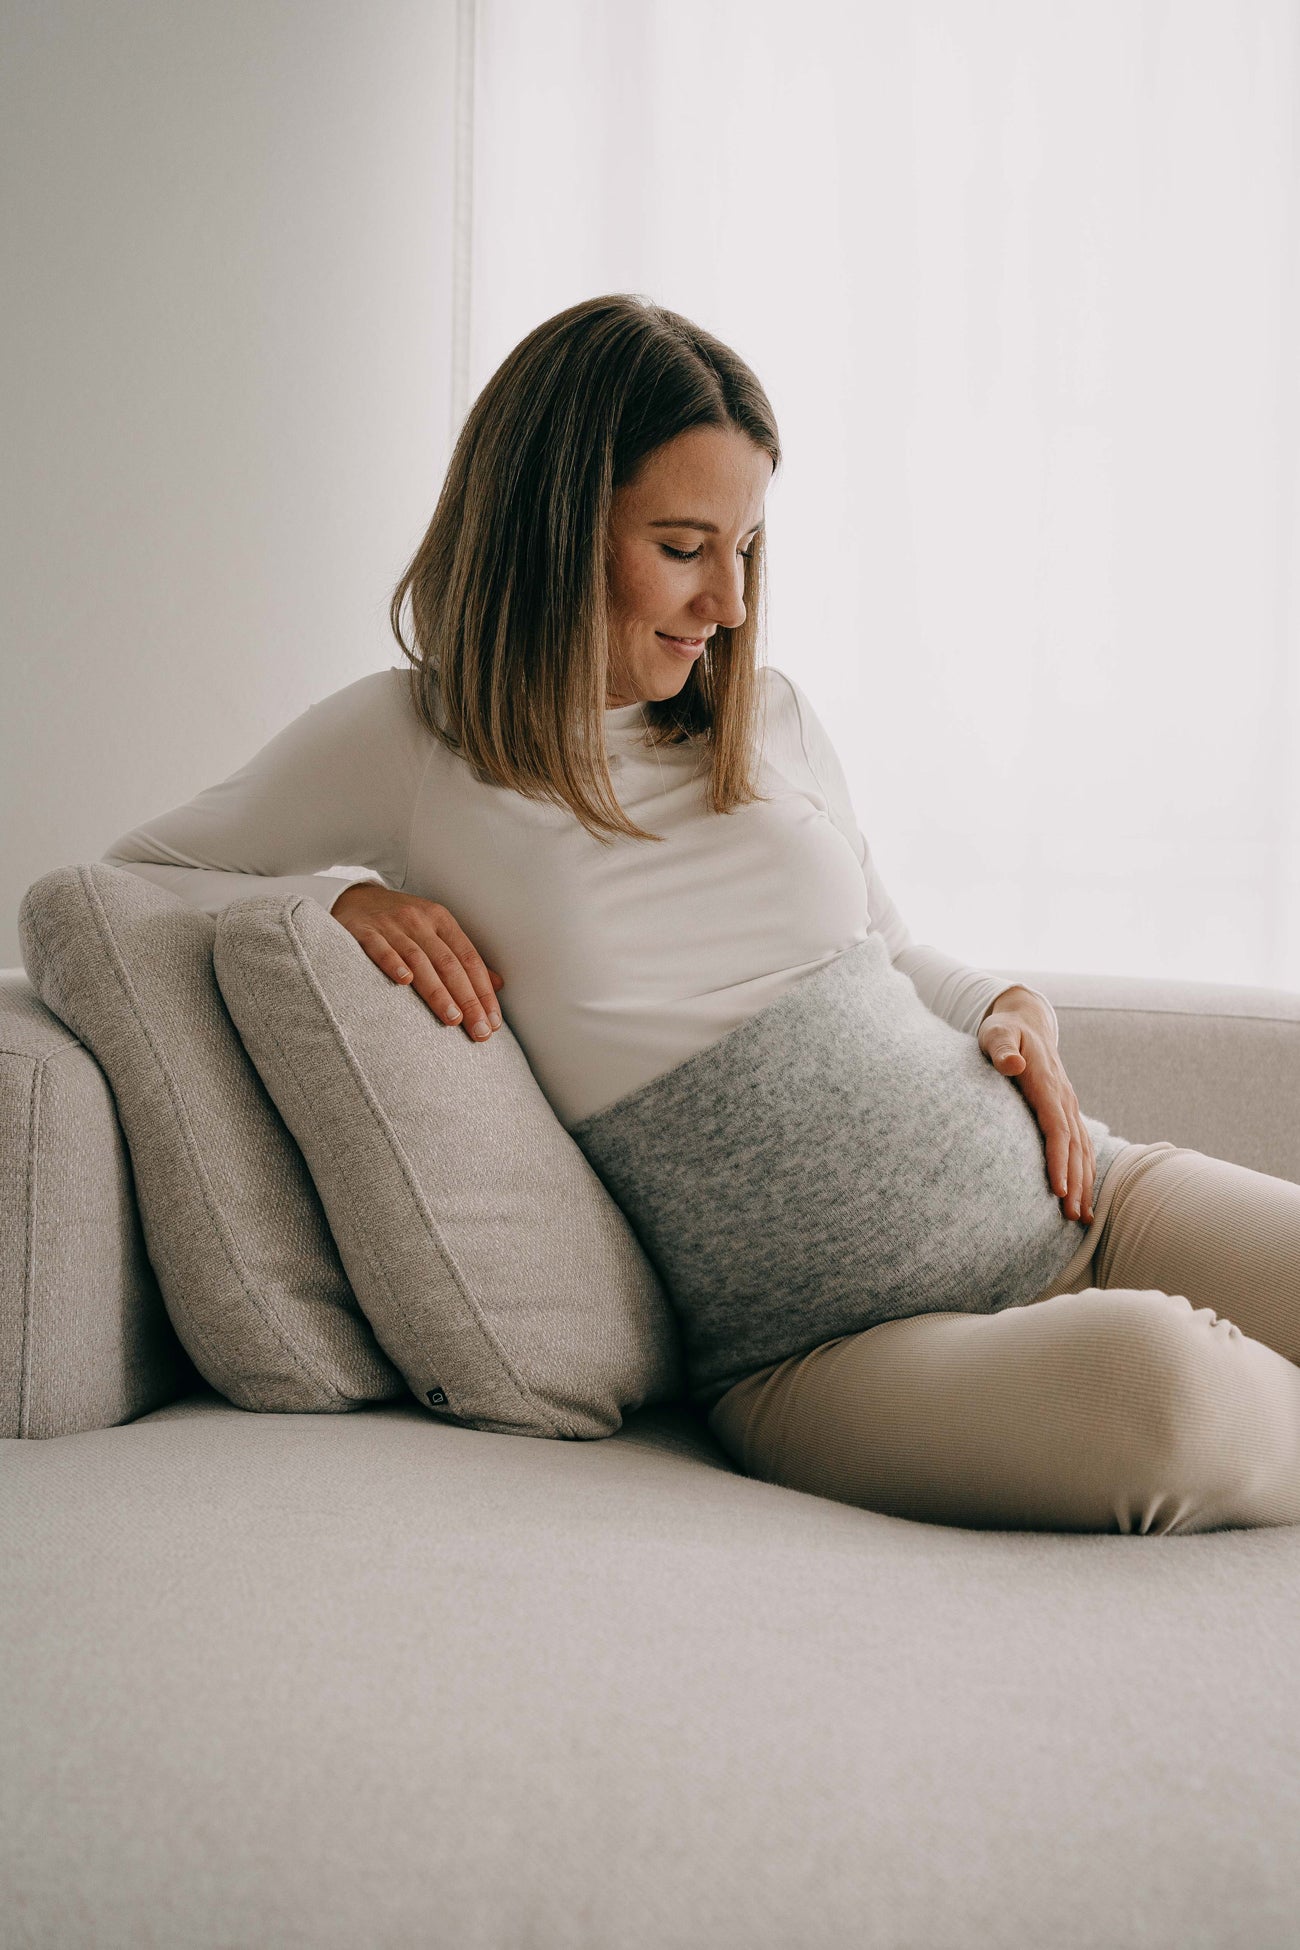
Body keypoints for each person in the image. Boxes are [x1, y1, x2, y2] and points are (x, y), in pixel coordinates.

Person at [104, 292, 1300, 1536]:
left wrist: (1008, 1004)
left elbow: (890, 951)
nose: (726, 604)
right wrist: (340, 900)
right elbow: (134, 878)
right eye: (682, 547)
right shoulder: (411, 744)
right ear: (549, 531)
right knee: (1170, 1397)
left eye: (746, 550)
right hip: (830, 1353)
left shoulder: (768, 714)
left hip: (1088, 1198)